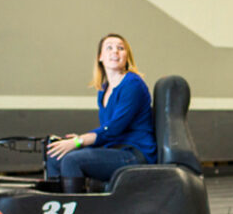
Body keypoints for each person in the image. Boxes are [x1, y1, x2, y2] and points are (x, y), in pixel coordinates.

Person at [45, 33, 156, 193]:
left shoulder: (133, 84)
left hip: (135, 153)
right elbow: (108, 131)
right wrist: (79, 140)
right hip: (115, 148)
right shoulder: (103, 89)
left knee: (72, 160)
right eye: (109, 48)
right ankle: (56, 207)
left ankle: (78, 212)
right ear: (100, 57)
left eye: (120, 48)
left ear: (127, 56)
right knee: (55, 155)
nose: (115, 51)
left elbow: (113, 129)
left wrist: (80, 141)